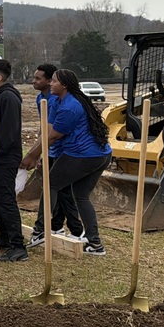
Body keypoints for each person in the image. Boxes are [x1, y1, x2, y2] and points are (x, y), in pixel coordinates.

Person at [46, 69, 113, 256]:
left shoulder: (70, 106)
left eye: (54, 81)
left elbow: (52, 136)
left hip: (83, 155)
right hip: (101, 154)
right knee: (81, 196)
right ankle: (95, 244)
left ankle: (41, 229)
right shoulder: (69, 101)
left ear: (64, 85)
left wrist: (31, 156)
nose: (51, 84)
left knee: (50, 184)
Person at [20, 63, 85, 247]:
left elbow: (54, 133)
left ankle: (70, 229)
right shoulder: (41, 98)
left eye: (38, 78)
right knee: (59, 190)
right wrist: (38, 151)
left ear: (50, 81)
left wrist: (34, 154)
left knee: (57, 189)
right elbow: (44, 128)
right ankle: (58, 226)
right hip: (51, 149)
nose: (34, 81)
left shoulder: (56, 100)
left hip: (62, 150)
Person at [0, 58, 28, 262]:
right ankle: (5, 235)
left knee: (5, 198)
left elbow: (9, 132)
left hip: (5, 158)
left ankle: (18, 246)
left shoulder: (8, 97)